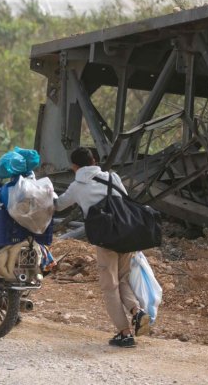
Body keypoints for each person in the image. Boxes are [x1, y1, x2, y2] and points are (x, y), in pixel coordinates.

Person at [53, 147, 150, 348]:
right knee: (123, 278)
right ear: (95, 160)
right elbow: (124, 199)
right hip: (126, 234)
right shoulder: (112, 177)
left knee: (109, 286)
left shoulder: (77, 186)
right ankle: (137, 311)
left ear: (74, 166)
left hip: (106, 240)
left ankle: (124, 333)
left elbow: (58, 205)